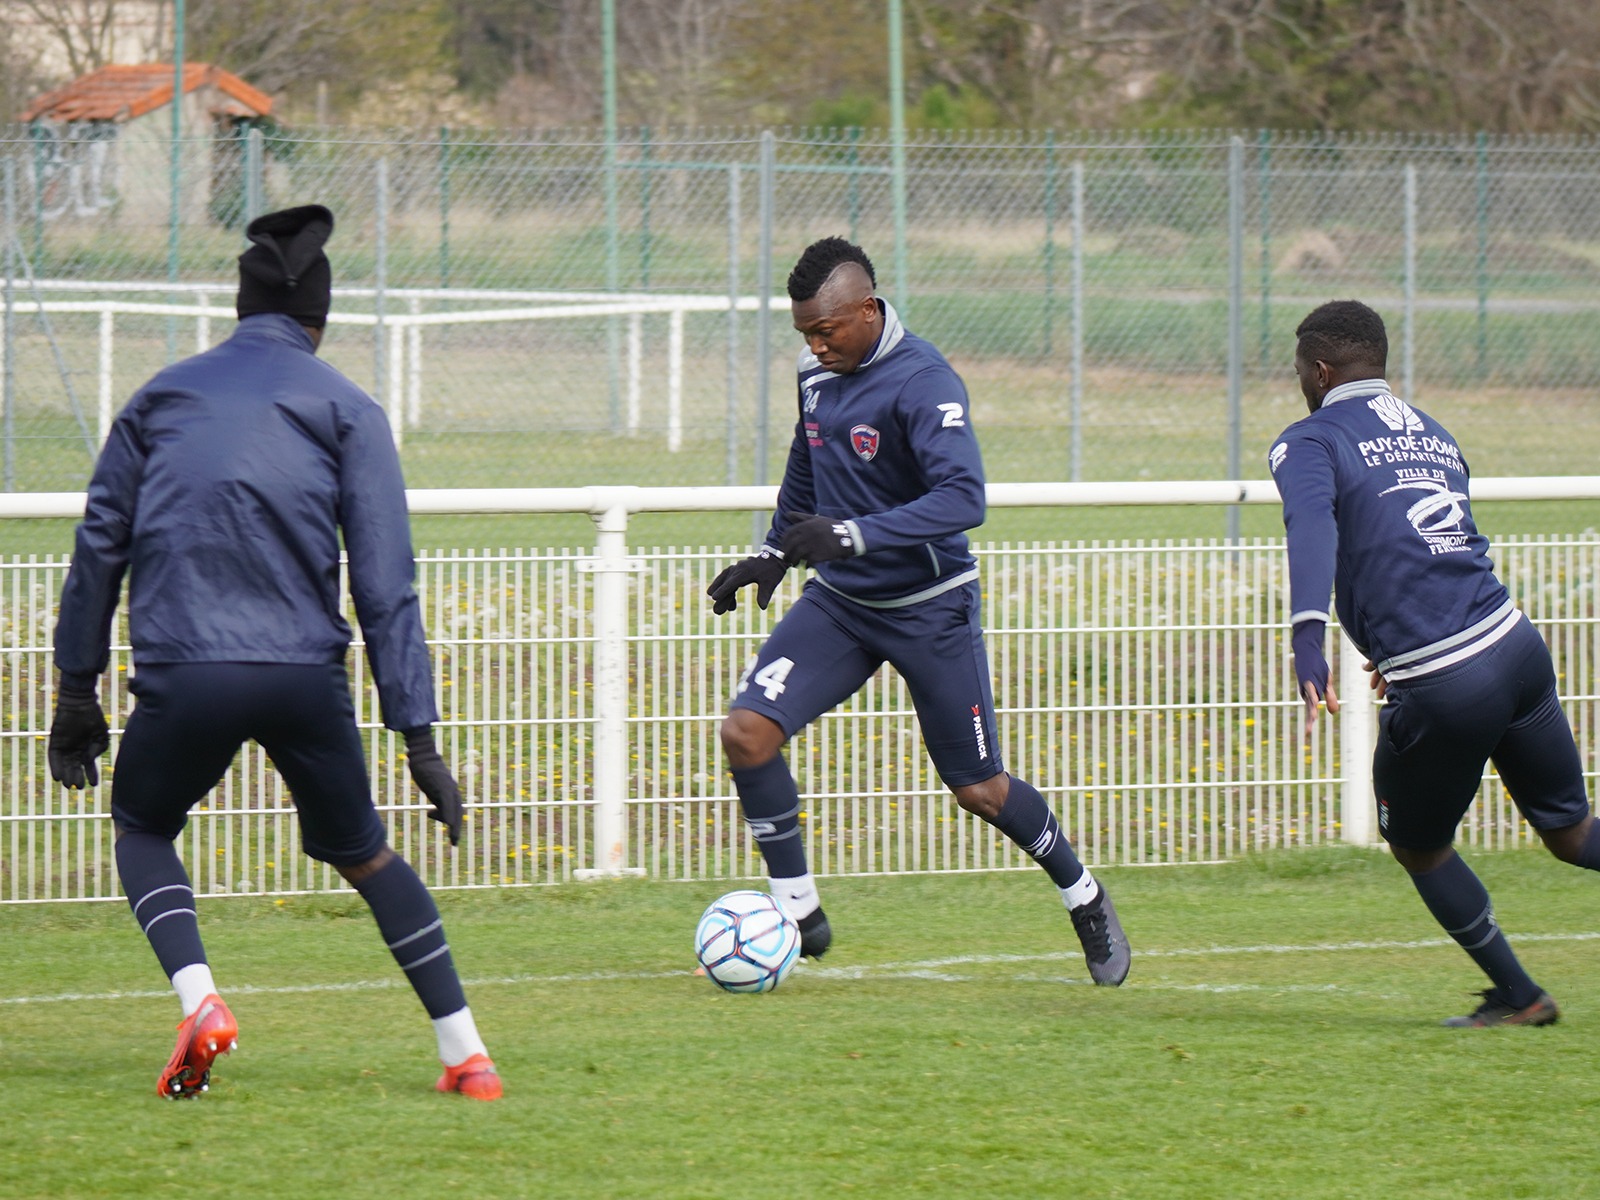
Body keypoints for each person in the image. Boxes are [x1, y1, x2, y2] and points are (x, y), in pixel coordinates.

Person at [47, 206, 502, 1099]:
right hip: (303, 676)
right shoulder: (347, 406)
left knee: (143, 827)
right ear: (320, 323)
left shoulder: (160, 396)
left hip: (186, 672)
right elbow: (386, 584)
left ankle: (202, 1001)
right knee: (366, 853)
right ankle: (468, 1057)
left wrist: (76, 690)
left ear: (239, 306)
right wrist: (420, 739)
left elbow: (100, 543)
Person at [707, 237, 1130, 984]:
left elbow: (964, 499)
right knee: (746, 733)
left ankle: (1083, 893)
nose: (813, 344)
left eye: (825, 329)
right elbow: (805, 465)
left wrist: (852, 534)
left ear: (867, 311)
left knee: (980, 790)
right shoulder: (818, 374)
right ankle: (799, 916)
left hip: (929, 609)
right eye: (803, 332)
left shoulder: (925, 382)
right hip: (840, 605)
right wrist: (774, 552)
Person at [1275, 299, 1599, 1027]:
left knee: (1417, 844)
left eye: (1299, 371)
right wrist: (1396, 641)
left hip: (1448, 678)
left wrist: (1307, 636)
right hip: (1514, 644)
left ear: (1321, 372)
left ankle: (1522, 999)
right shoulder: (1434, 432)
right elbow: (1434, 543)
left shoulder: (1308, 441)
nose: (1298, 383)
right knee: (1572, 832)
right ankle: (1520, 996)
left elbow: (1311, 531)